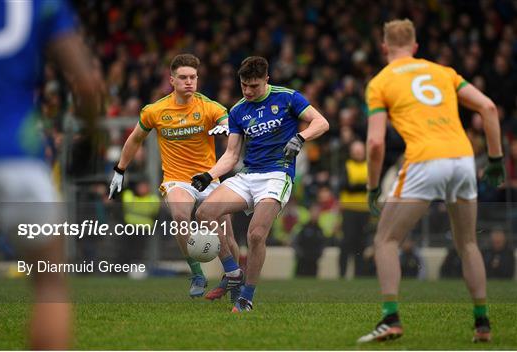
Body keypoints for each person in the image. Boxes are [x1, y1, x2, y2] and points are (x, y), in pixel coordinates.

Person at [357, 19, 505, 343]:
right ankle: (482, 324)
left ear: (384, 48)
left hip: (425, 161)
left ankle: (391, 318)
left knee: (385, 240)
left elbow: (375, 143)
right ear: (415, 48)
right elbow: (489, 108)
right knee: (467, 243)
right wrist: (495, 159)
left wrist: (371, 187)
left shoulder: (379, 83)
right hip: (464, 159)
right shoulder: (444, 72)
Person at [0, 0, 102, 349]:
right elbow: (87, 84)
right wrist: (89, 138)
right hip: (20, 156)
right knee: (49, 284)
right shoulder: (43, 3)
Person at [192, 56, 329, 312]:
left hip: (277, 175)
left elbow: (321, 122)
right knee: (204, 212)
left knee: (255, 235)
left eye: (253, 86)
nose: (248, 91)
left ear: (267, 80)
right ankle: (233, 273)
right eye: (244, 85)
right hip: (248, 175)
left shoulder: (288, 98)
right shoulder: (238, 110)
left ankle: (247, 297)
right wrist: (208, 175)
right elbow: (232, 155)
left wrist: (300, 137)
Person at [108, 54, 241, 298]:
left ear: (198, 79)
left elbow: (227, 121)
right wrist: (120, 170)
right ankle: (197, 273)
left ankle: (233, 277)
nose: (189, 82)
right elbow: (135, 139)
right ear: (172, 80)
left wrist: (226, 126)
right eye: (183, 77)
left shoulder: (209, 107)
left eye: (192, 77)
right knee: (181, 215)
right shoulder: (155, 111)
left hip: (209, 178)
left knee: (227, 236)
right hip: (178, 179)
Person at [338, 140, 370, 278]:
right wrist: (363, 186)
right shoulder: (346, 165)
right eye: (356, 150)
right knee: (346, 243)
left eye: (360, 150)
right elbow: (345, 185)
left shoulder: (369, 165)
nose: (358, 153)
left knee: (361, 244)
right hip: (349, 209)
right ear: (351, 152)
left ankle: (359, 274)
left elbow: (373, 185)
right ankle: (342, 274)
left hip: (364, 210)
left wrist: (355, 185)